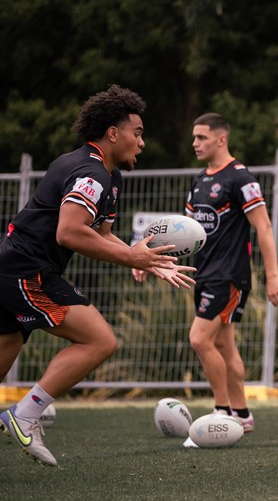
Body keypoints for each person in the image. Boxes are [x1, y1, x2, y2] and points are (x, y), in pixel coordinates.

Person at [0, 85, 196, 466]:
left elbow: (102, 234)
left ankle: (23, 413)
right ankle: (25, 414)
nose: (142, 142)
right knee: (100, 340)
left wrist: (148, 259)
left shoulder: (109, 175)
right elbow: (69, 232)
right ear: (113, 133)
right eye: (137, 133)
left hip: (15, 267)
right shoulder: (91, 172)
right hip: (26, 269)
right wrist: (133, 258)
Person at [135, 112, 278, 433]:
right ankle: (242, 415)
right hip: (203, 273)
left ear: (221, 139)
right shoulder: (199, 180)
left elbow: (264, 226)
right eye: (194, 137)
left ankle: (221, 411)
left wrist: (273, 275)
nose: (195, 143)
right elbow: (182, 233)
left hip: (228, 275)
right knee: (223, 345)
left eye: (201, 137)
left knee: (199, 339)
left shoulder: (241, 178)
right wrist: (150, 260)